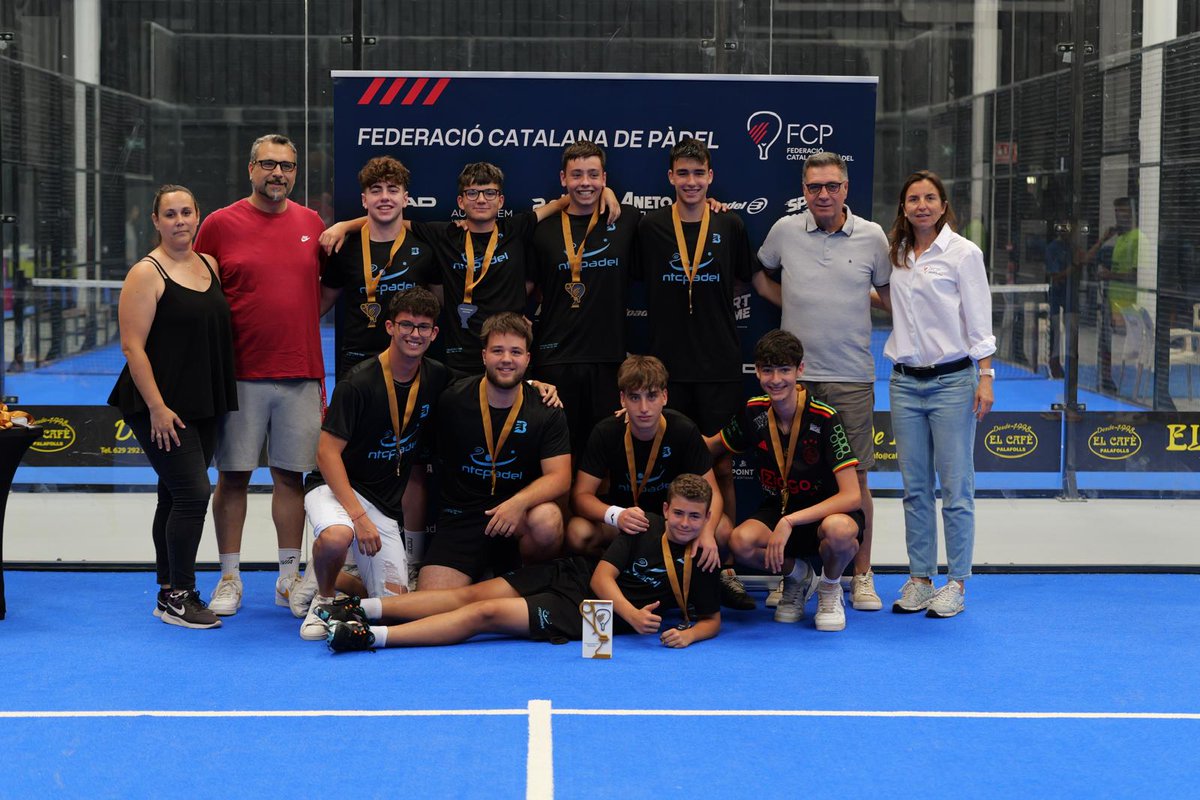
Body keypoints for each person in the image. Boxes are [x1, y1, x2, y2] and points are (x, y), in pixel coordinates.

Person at [323, 474, 721, 651]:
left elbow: (710, 620)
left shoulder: (703, 559)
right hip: (575, 575)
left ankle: (369, 637)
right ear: (666, 509)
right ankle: (357, 608)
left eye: (695, 517)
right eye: (679, 513)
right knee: (470, 594)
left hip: (586, 616)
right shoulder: (645, 526)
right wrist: (634, 615)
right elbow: (602, 577)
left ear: (707, 519)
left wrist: (689, 635)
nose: (685, 523)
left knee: (486, 613)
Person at [192, 133, 327, 616]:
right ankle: (229, 577)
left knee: (291, 478)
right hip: (239, 376)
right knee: (233, 478)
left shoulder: (313, 223)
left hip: (300, 373)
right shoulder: (218, 225)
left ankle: (289, 579)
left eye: (287, 166)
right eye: (268, 164)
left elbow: (322, 291)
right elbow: (199, 293)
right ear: (250, 168)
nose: (278, 173)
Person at [753, 151, 891, 612]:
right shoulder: (784, 231)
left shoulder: (873, 237)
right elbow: (761, 277)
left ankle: (861, 575)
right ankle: (790, 572)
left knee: (859, 482)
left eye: (832, 186)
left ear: (846, 188)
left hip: (852, 377)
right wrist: (789, 297)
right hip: (797, 381)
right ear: (804, 190)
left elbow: (891, 299)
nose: (824, 195)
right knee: (790, 478)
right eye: (814, 187)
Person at [108, 184, 237, 630]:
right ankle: (180, 594)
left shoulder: (210, 264)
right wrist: (158, 408)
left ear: (198, 215)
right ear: (156, 221)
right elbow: (132, 347)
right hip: (158, 406)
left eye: (186, 212)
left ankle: (167, 590)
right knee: (193, 493)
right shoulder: (146, 273)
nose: (180, 221)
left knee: (173, 493)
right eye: (170, 214)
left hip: (203, 400)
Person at [298, 288, 451, 639]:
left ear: (434, 333)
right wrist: (358, 517)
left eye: (423, 327)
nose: (415, 334)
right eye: (406, 325)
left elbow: (483, 388)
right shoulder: (359, 381)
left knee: (392, 609)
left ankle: (326, 573)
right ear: (389, 327)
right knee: (339, 537)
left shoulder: (437, 376)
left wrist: (535, 384)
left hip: (382, 502)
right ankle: (324, 599)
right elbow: (326, 453)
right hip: (335, 488)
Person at [884, 170, 995, 619]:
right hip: (904, 383)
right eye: (914, 199)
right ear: (904, 208)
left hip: (953, 382)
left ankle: (956, 583)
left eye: (930, 198)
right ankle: (920, 578)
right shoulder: (897, 254)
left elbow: (978, 317)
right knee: (914, 490)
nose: (922, 205)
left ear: (944, 205)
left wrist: (985, 375)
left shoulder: (965, 254)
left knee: (956, 488)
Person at [708, 330, 864, 632]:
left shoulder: (825, 417)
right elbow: (707, 445)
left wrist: (790, 521)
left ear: (799, 370)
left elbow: (852, 496)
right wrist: (652, 422)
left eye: (784, 370)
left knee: (840, 531)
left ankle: (830, 587)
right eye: (767, 370)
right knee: (740, 541)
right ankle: (798, 576)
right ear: (757, 372)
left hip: (824, 514)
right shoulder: (754, 411)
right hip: (778, 509)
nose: (775, 379)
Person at [567, 355, 750, 608]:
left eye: (651, 396)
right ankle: (615, 574)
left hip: (673, 521)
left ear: (664, 396)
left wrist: (706, 533)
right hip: (627, 522)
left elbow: (713, 495)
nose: (643, 407)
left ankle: (696, 581)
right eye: (634, 397)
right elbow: (580, 497)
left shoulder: (683, 429)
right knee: (578, 532)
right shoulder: (606, 432)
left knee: (721, 530)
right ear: (622, 399)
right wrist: (616, 515)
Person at [418, 312, 572, 590]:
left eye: (515, 352)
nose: (506, 359)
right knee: (431, 605)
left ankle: (528, 580)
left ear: (527, 359)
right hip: (462, 518)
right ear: (484, 355)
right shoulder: (452, 399)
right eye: (498, 350)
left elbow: (560, 477)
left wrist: (518, 503)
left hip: (516, 521)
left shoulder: (546, 408)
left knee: (547, 519)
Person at [636, 138, 752, 440]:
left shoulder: (730, 224)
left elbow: (742, 278)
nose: (691, 181)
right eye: (683, 173)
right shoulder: (649, 227)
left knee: (723, 462)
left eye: (699, 173)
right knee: (672, 456)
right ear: (671, 176)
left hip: (719, 364)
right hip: (667, 366)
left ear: (710, 176)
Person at [530, 141, 640, 454]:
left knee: (606, 457)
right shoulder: (542, 229)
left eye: (593, 175)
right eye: (576, 175)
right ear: (563, 179)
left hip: (609, 360)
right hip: (555, 360)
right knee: (558, 455)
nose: (585, 183)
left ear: (605, 178)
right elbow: (526, 287)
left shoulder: (627, 220)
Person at [319, 156, 435, 380]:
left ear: (405, 199)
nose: (384, 197)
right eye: (376, 190)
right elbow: (321, 303)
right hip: (357, 360)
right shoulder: (344, 248)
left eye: (392, 190)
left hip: (411, 360)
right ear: (364, 200)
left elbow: (442, 302)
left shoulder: (425, 248)